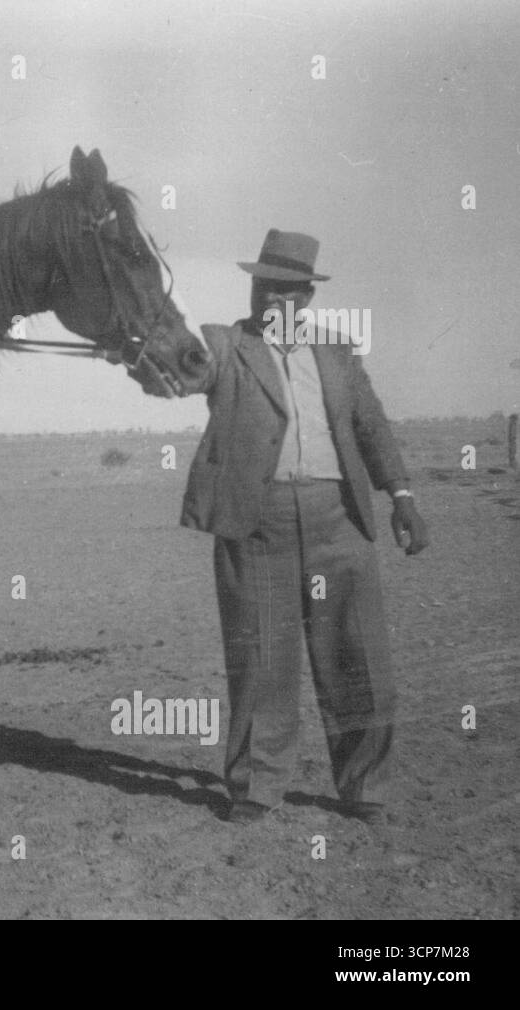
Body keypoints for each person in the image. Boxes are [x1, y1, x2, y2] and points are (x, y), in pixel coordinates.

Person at [180, 229, 429, 826]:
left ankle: (367, 786)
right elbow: (181, 368)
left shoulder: (339, 353)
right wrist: (137, 349)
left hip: (338, 516)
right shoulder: (225, 344)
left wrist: (403, 497)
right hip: (256, 520)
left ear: (306, 299)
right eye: (262, 286)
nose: (270, 299)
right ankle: (256, 789)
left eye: (285, 290)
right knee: (262, 654)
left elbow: (371, 428)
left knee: (358, 652)